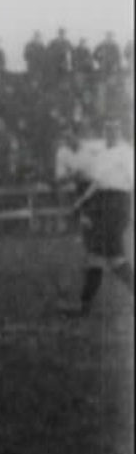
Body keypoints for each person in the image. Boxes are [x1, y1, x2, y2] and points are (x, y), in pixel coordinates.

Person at [69, 119, 134, 314]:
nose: (110, 134)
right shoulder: (104, 154)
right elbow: (98, 182)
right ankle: (85, 304)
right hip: (104, 203)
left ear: (120, 132)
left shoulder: (127, 153)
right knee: (102, 256)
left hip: (118, 203)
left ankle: (85, 304)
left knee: (109, 257)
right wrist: (80, 201)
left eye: (113, 131)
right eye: (107, 131)